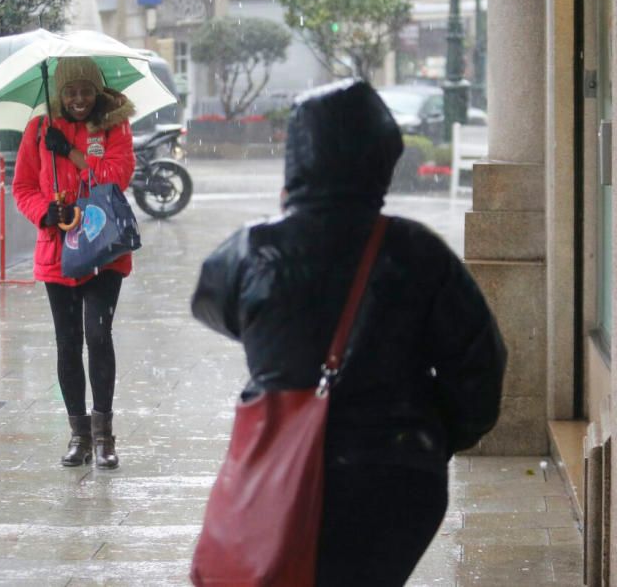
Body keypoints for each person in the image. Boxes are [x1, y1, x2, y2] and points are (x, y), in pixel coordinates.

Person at [191, 79, 507, 586]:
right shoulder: (417, 253)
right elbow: (477, 367)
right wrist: (433, 435)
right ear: (381, 158)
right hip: (397, 475)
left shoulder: (248, 251)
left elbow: (212, 307)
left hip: (280, 466)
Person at [12, 56, 136, 470]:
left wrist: (73, 153)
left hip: (103, 249)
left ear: (96, 91)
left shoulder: (113, 126)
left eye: (85, 90)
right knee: (68, 342)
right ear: (59, 93)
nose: (78, 99)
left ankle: (104, 437)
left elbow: (115, 178)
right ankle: (78, 435)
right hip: (58, 251)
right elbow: (23, 186)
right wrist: (44, 213)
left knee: (98, 335)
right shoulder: (39, 130)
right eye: (70, 91)